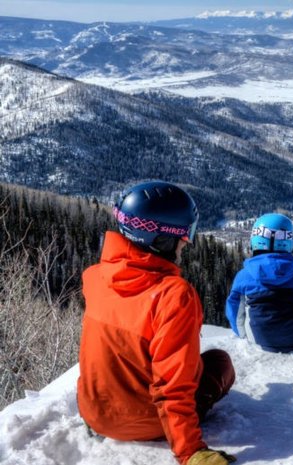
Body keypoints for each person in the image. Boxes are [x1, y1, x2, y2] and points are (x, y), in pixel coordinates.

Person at [78, 181, 237, 465]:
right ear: (162, 240)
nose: (186, 242)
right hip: (148, 422)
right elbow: (172, 384)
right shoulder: (174, 296)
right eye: (184, 235)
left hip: (96, 414)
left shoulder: (94, 277)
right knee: (219, 363)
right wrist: (190, 452)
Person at [225, 213, 293, 352]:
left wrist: (242, 335)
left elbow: (234, 310)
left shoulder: (244, 276)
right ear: (290, 242)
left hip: (257, 339)